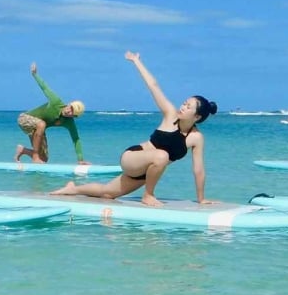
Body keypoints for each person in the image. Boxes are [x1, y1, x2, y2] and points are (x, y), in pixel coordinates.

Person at [50, 52, 215, 207]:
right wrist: (137, 61)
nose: (183, 107)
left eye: (188, 106)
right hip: (132, 158)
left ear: (197, 117)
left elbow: (198, 169)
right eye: (185, 103)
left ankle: (73, 189)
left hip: (147, 173)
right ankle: (148, 195)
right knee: (162, 155)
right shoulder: (170, 114)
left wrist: (201, 199)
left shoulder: (196, 138)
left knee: (107, 193)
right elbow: (154, 86)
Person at [14, 63, 86, 164]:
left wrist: (80, 160)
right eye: (71, 107)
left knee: (44, 159)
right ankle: (35, 156)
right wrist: (35, 74)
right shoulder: (56, 102)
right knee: (41, 124)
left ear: (74, 116)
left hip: (38, 129)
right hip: (24, 119)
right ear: (69, 104)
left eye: (72, 113)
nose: (69, 111)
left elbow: (76, 139)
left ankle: (22, 150)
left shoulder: (69, 122)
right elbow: (45, 87)